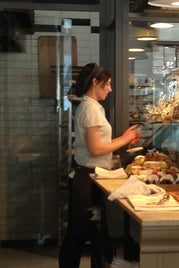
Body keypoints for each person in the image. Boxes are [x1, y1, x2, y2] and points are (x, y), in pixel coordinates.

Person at [59, 63, 141, 268]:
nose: (110, 89)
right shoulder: (89, 108)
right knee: (78, 234)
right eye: (107, 84)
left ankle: (103, 262)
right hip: (86, 178)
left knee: (92, 232)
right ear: (95, 82)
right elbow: (95, 149)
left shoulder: (93, 107)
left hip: (90, 175)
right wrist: (123, 139)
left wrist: (119, 145)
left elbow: (98, 146)